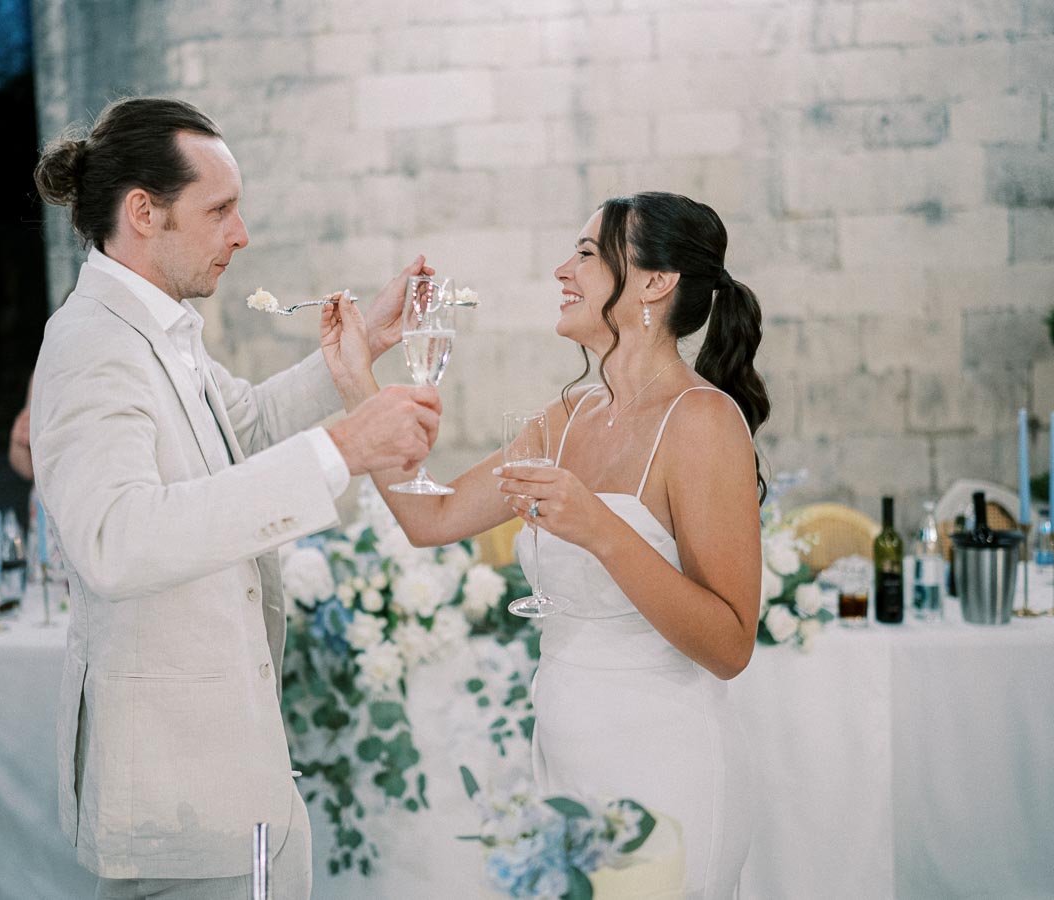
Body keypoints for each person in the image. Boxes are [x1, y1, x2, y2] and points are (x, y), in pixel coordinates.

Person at [29, 97, 442, 900]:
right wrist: (343, 450)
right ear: (143, 212)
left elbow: (240, 427)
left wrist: (361, 350)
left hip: (232, 770)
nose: (242, 233)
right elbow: (115, 537)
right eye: (219, 209)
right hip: (177, 791)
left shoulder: (158, 329)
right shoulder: (92, 346)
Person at [324, 191, 767, 898]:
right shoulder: (566, 418)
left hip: (666, 767)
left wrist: (599, 528)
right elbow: (429, 519)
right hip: (563, 764)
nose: (563, 269)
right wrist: (355, 383)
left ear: (656, 283)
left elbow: (731, 645)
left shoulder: (704, 421)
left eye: (589, 254)